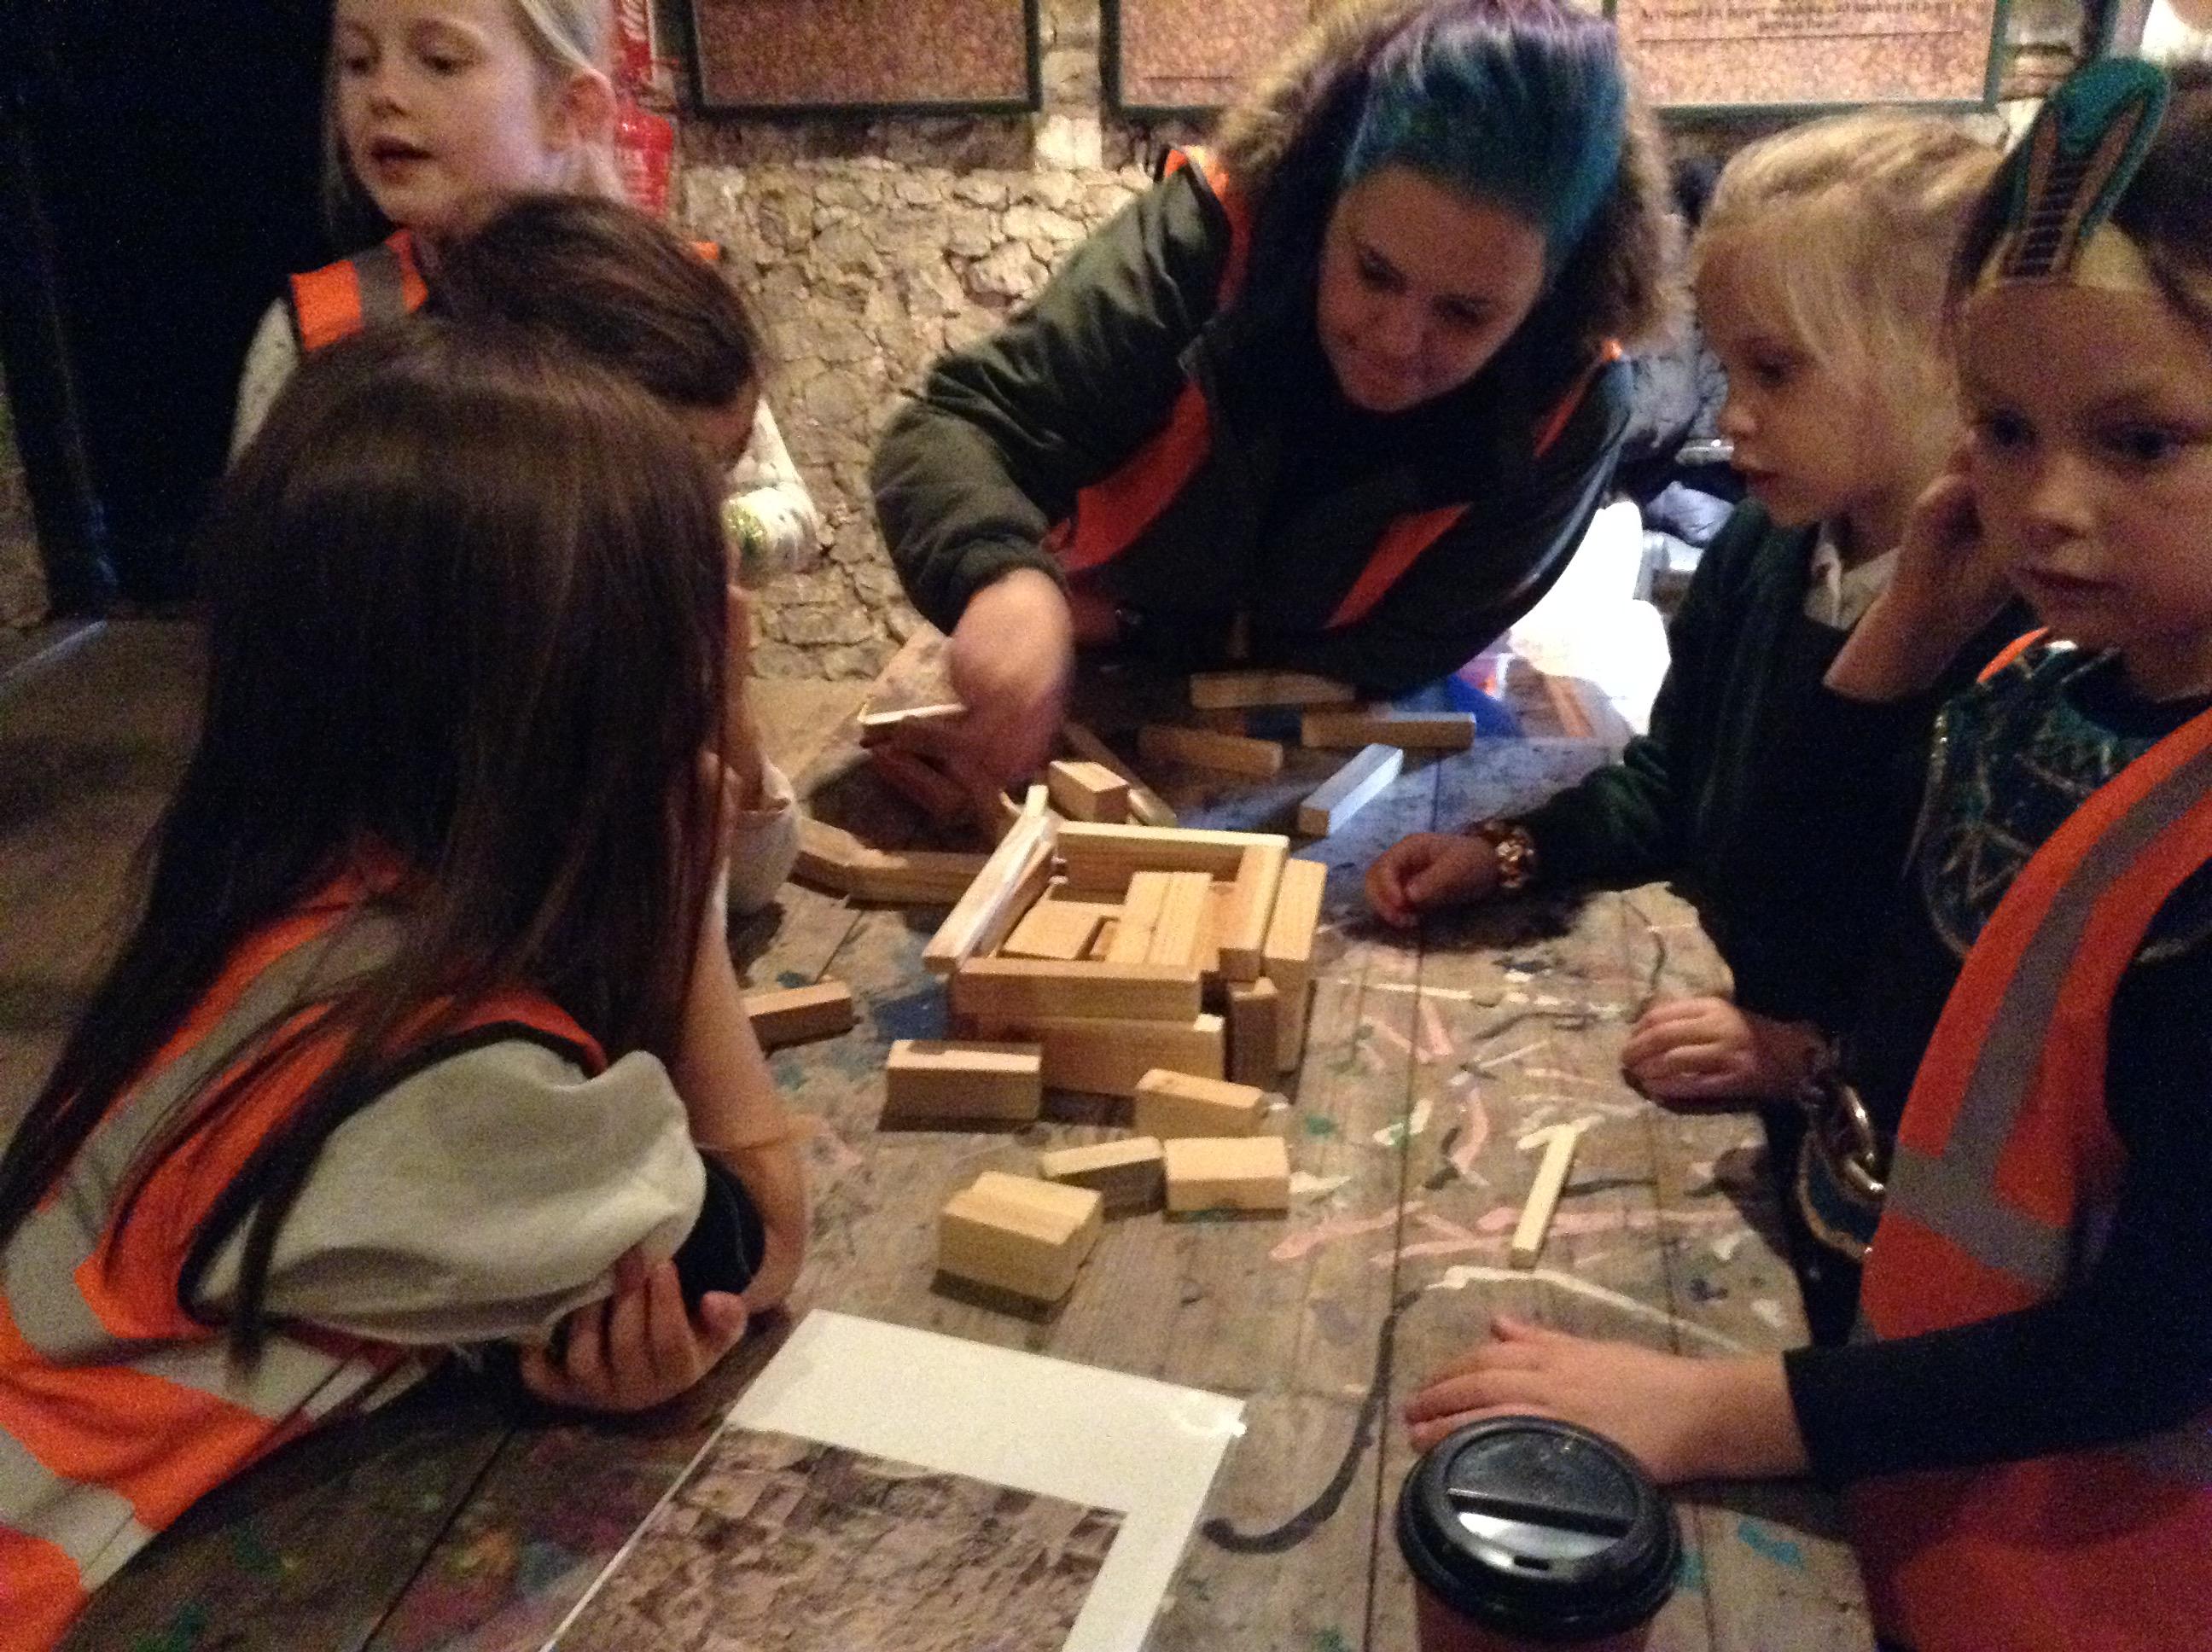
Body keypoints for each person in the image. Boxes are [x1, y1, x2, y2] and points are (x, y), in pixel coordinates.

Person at [1402, 59, 2212, 1650]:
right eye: (2003, 428)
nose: (2046, 503)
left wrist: (1722, 1411)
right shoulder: (2040, 687)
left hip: (2088, 1552)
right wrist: (1902, 632)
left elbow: (2153, 1343)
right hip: (1912, 1431)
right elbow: (1772, 929)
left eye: (2140, 442)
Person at [0, 324, 809, 1652]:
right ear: (581, 714)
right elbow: (756, 1239)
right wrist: (682, 899)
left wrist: (533, 1334)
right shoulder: (443, 1072)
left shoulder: (294, 910)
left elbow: (408, 1257)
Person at [1367, 113, 2017, 1312]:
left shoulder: (2024, 643)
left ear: (1943, 357)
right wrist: (1510, 851)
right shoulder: (1768, 554)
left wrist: (1809, 1050)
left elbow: (1998, 1000)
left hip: (1887, 1194)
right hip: (1748, 1078)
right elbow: (1673, 781)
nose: (1730, 418)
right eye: (1728, 370)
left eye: (1776, 371)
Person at [871, 0, 1676, 788]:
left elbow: (1405, 649)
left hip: (1281, 733)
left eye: (1465, 313)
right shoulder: (1209, 239)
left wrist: (1128, 623)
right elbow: (958, 429)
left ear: (1551, 291)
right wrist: (1006, 583)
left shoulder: (1574, 403)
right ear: (1329, 200)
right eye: (1374, 272)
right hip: (1091, 679)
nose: (1398, 342)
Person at [228, 0, 820, 574]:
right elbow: (252, 561)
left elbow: (784, 506)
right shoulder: (323, 321)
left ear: (569, 108)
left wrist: (707, 538)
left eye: (441, 60)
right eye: (358, 61)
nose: (384, 93)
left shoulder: (646, 296)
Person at [427, 192, 802, 912]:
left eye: (718, 477)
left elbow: (752, 880)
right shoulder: (477, 662)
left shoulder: (623, 620)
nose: (703, 522)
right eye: (678, 479)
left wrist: (724, 706)